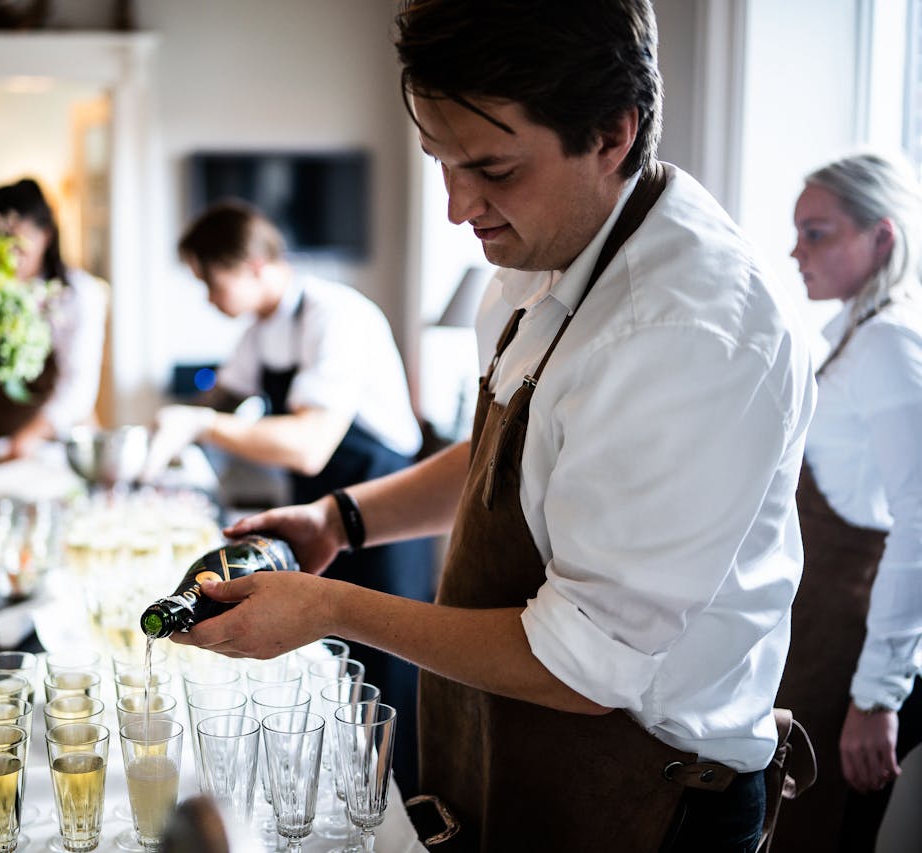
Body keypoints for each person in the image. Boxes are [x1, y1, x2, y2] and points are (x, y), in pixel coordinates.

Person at [165, 1, 819, 850]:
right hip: (513, 753)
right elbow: (503, 456)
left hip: (648, 799)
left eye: (495, 169)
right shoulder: (546, 257)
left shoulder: (691, 333)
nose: (456, 206)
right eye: (439, 161)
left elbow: (585, 666)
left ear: (613, 133)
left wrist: (327, 607)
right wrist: (342, 518)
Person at [145, 199, 436, 796]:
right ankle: (347, 797)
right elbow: (220, 400)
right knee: (328, 668)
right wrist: (171, 423)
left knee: (384, 680)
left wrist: (197, 428)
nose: (205, 296)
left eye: (209, 279)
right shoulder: (261, 331)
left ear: (252, 265)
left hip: (382, 510)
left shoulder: (337, 316)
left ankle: (404, 809)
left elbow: (308, 445)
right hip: (317, 516)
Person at [769, 152, 922, 852]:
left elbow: (918, 522)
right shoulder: (849, 338)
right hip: (811, 628)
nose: (796, 250)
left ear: (882, 238)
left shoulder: (891, 344)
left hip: (847, 643)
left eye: (817, 232)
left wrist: (877, 694)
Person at [0, 178, 109, 458]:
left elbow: (77, 388)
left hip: (53, 444)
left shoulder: (78, 294)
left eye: (17, 242)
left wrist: (26, 439)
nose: (7, 253)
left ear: (45, 235)